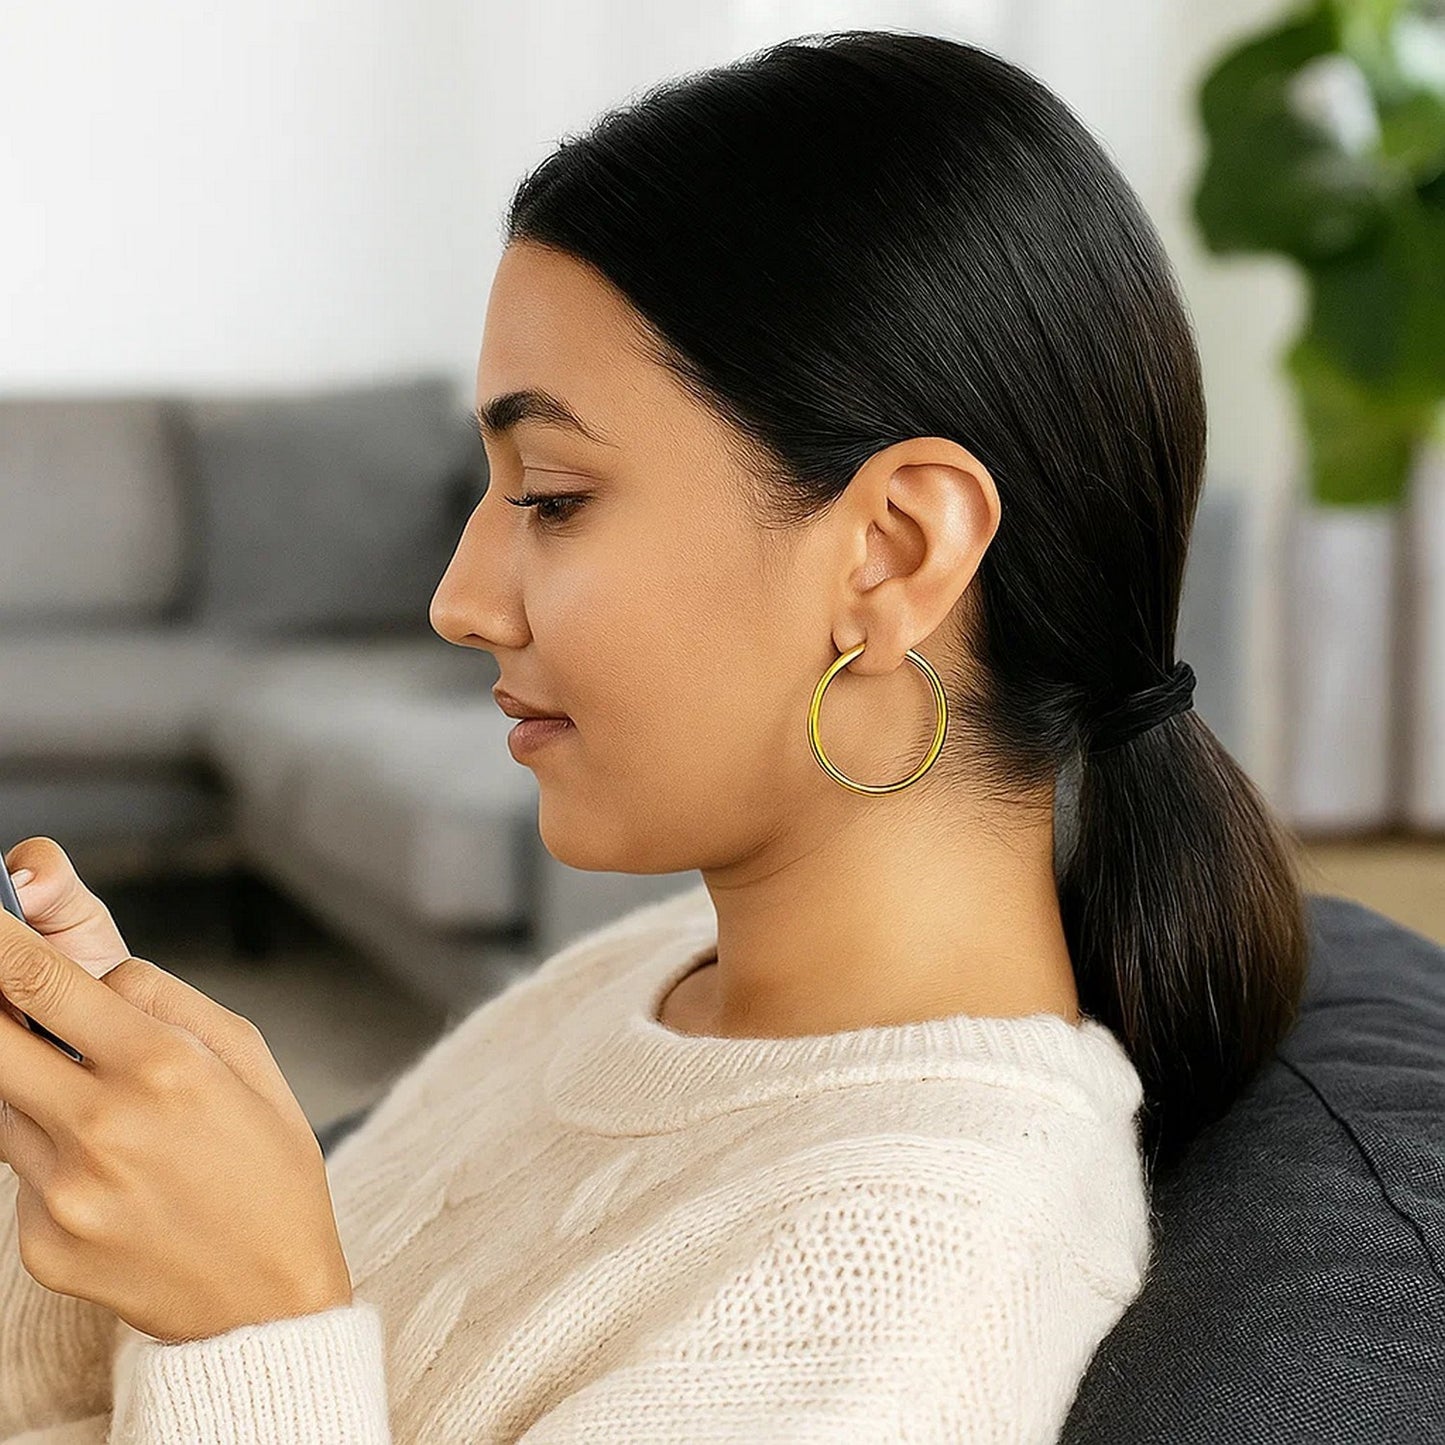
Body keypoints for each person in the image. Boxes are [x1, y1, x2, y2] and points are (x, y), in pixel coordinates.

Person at [0, 29, 1309, 1444]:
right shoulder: (651, 975)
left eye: (551, 495)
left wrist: (247, 1319)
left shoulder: (908, 1271)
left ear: (890, 550)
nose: (456, 599)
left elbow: (261, 1358)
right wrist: (108, 1175)